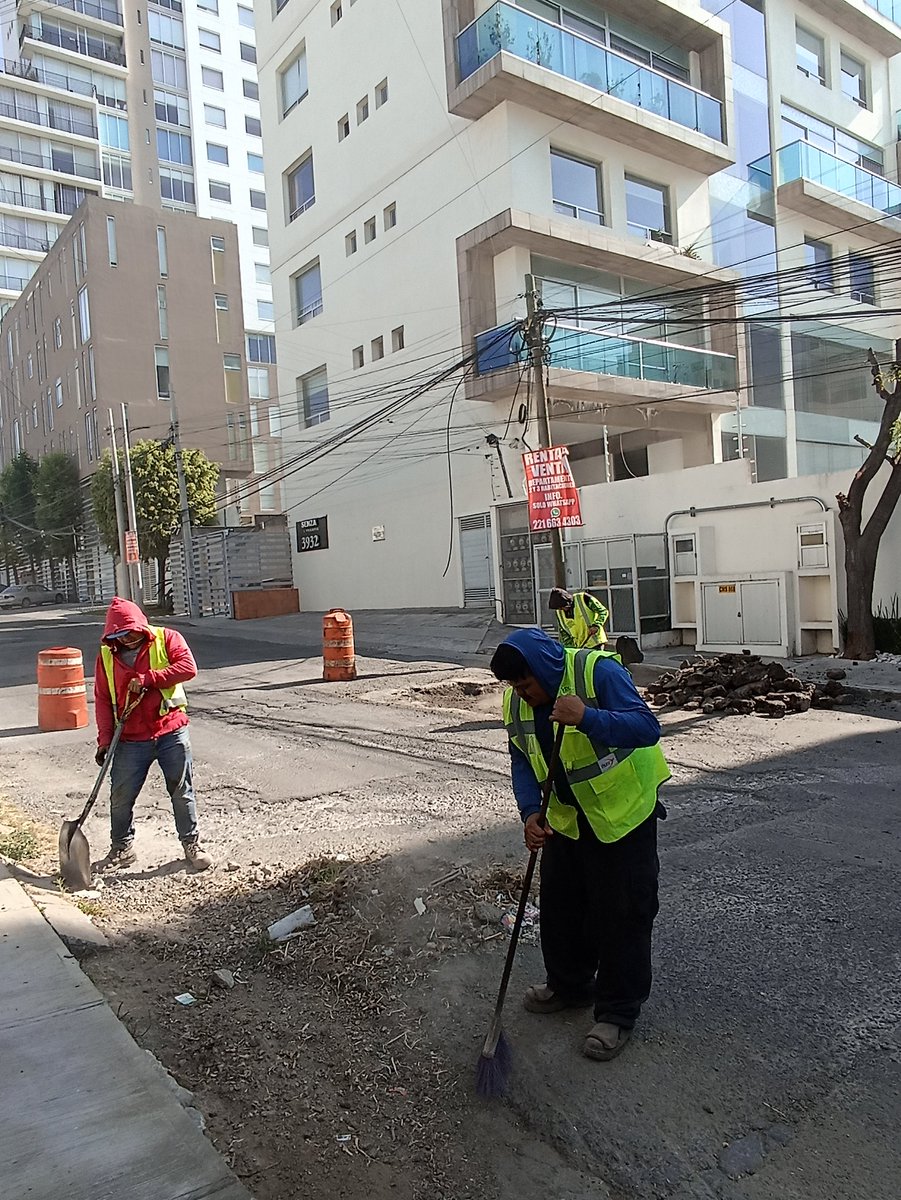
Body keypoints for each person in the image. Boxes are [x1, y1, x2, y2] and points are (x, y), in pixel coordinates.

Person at [490, 627, 669, 1061]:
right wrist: (530, 811)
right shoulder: (517, 700)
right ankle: (569, 987)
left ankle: (617, 1013)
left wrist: (588, 717)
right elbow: (521, 756)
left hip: (623, 813)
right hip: (566, 819)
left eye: (525, 683)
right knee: (562, 908)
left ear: (544, 671)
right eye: (514, 685)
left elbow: (648, 727)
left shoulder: (597, 672)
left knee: (622, 912)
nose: (520, 692)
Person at [93, 596, 212, 872]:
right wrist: (104, 741)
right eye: (121, 635)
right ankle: (122, 848)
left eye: (131, 632)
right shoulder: (107, 657)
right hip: (130, 738)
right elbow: (101, 698)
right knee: (120, 796)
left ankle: (191, 844)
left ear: (140, 626)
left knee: (181, 791)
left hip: (170, 729)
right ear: (112, 635)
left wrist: (148, 679)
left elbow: (188, 668)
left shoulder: (167, 638)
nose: (128, 639)